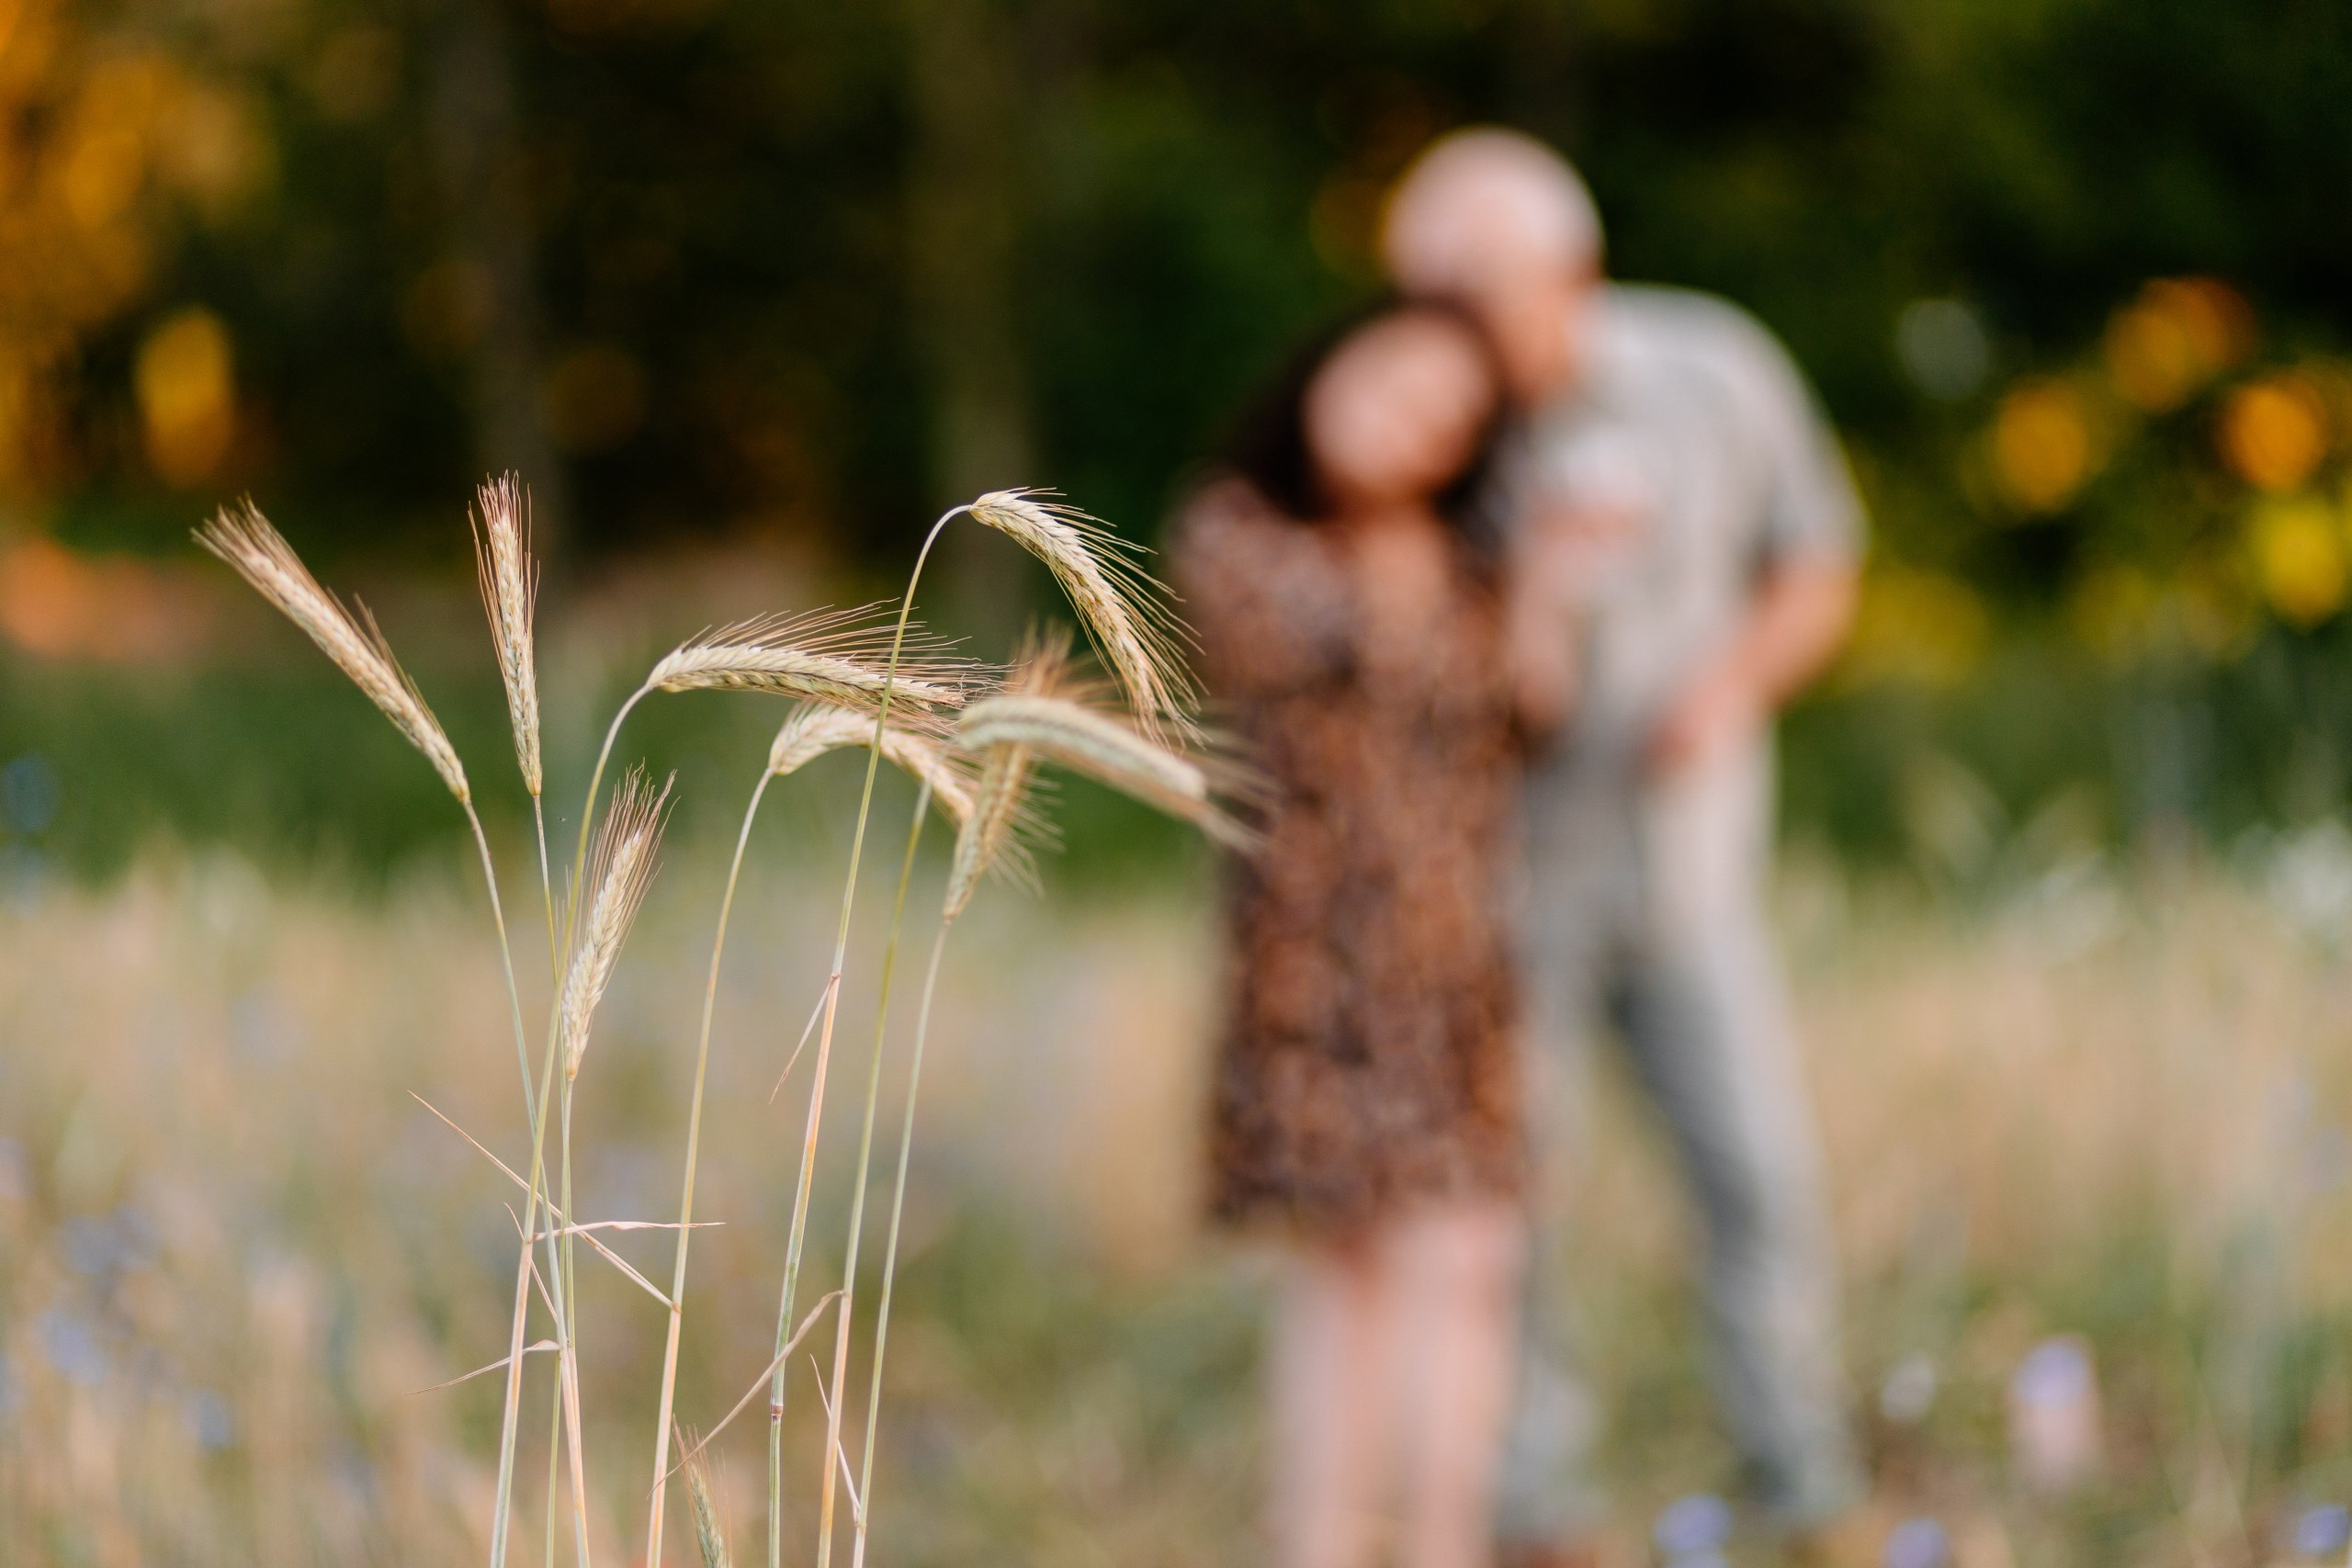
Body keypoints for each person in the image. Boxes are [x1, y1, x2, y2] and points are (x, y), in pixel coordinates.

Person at [1378, 129, 1869, 1562]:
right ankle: (1538, 1502)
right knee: (1513, 1206)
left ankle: (1803, 1471)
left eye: (1472, 297)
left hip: (1692, 869)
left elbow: (1820, 558)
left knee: (1758, 1174)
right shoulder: (1416, 423)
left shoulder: (1715, 370)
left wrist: (1729, 687)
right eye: (1422, 299)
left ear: (1571, 273)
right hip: (1499, 880)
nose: (1443, 330)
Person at [1173, 302, 1551, 1568]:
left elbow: (1533, 710)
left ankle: (1442, 1544)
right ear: (1329, 361)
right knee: (1352, 1274)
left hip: (1457, 966)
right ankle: (1324, 1546)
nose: (1413, 424)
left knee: (1474, 1262)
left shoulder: (1474, 563)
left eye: (1451, 419)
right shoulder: (1236, 531)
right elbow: (1316, 652)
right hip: (1316, 967)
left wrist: (1553, 581)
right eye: (1399, 382)